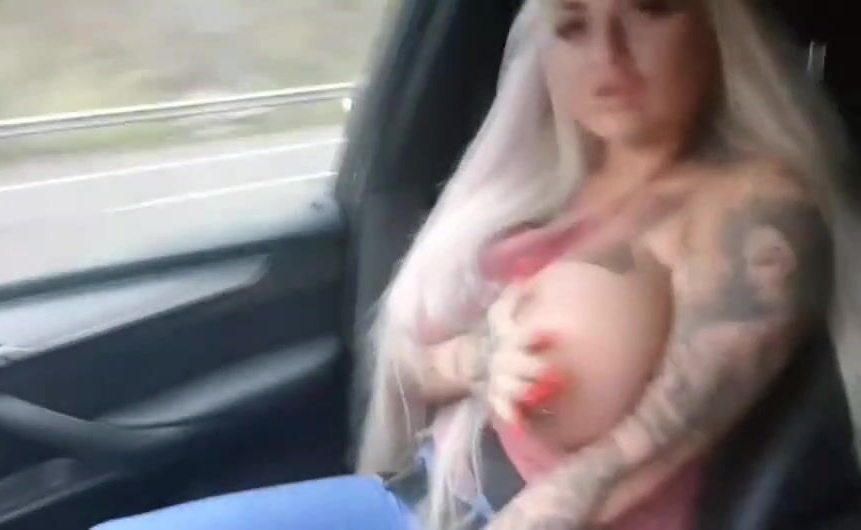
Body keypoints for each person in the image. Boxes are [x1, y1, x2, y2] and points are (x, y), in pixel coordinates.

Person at [95, 0, 861, 529]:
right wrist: (482, 358)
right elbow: (417, 371)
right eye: (573, 25)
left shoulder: (752, 206)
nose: (608, 53)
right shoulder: (543, 190)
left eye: (651, 9)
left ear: (716, 27)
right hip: (425, 499)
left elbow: (661, 443)